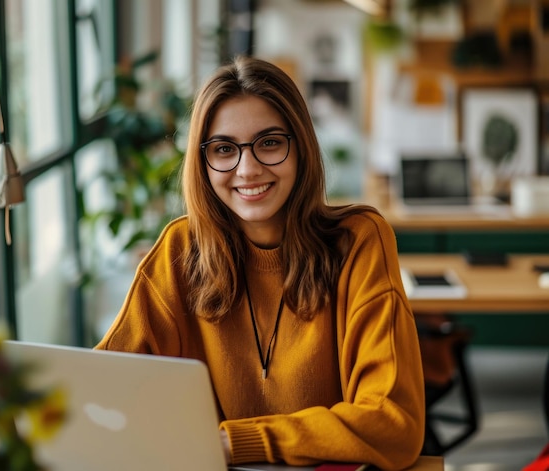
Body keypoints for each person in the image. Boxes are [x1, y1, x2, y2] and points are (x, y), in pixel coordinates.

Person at [95, 55, 425, 470]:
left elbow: (394, 424)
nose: (247, 169)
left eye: (269, 142)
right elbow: (101, 391)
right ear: (203, 161)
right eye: (223, 149)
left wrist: (237, 442)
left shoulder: (359, 242)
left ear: (300, 146)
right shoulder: (179, 250)